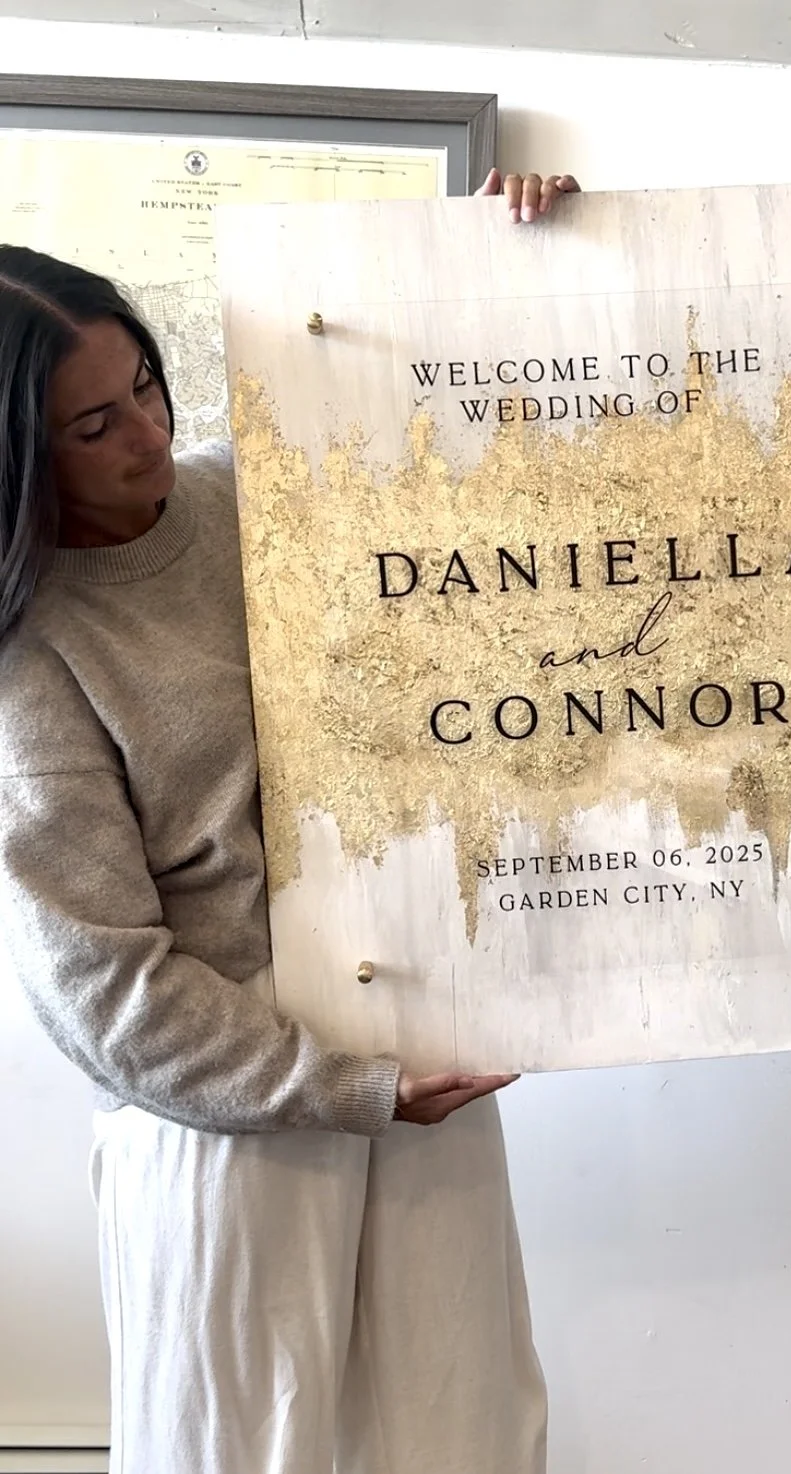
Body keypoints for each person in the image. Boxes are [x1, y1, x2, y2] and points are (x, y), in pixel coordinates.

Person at [0, 167, 581, 1474]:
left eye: (143, 385)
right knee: (253, 1454)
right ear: (16, 453)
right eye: (92, 425)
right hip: (233, 1140)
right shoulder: (33, 657)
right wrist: (340, 1088)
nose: (146, 434)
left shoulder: (245, 487)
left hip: (415, 1065)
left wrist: (510, 259)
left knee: (464, 1435)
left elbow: (465, 440)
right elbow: (111, 996)